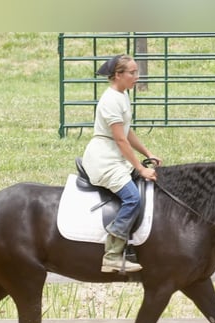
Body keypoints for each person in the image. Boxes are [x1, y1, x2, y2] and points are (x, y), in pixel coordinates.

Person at [82, 54, 162, 273]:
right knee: (132, 198)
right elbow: (119, 139)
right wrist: (140, 167)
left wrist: (147, 152)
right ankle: (112, 255)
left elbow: (127, 131)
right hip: (105, 159)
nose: (137, 76)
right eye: (132, 73)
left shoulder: (122, 95)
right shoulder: (110, 100)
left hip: (115, 155)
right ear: (118, 75)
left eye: (137, 72)